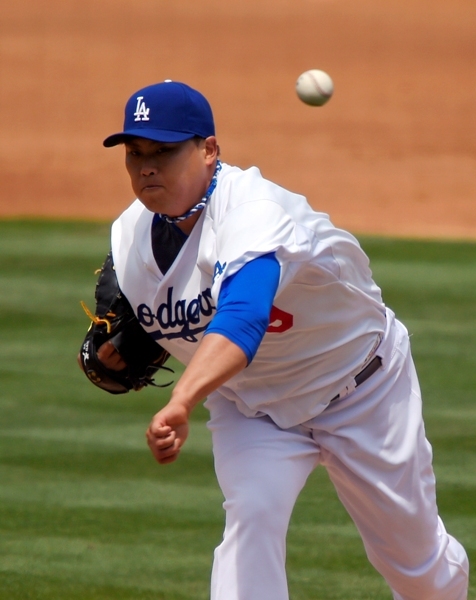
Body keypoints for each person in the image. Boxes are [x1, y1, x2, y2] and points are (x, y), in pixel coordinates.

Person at [95, 80, 469, 599]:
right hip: (253, 407)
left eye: (164, 150)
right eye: (135, 153)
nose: (146, 166)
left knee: (416, 567)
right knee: (251, 521)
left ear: (208, 150)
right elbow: (129, 335)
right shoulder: (129, 240)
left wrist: (182, 398)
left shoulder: (253, 211)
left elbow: (244, 318)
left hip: (360, 389)